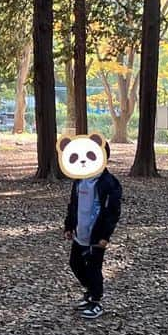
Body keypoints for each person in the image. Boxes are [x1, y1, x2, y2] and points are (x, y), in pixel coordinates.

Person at [61, 136, 123, 320]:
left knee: (94, 267)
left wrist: (105, 236)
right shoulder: (79, 180)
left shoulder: (108, 183)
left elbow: (112, 211)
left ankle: (96, 301)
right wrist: (69, 225)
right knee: (75, 263)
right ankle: (91, 291)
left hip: (96, 236)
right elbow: (73, 204)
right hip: (81, 232)